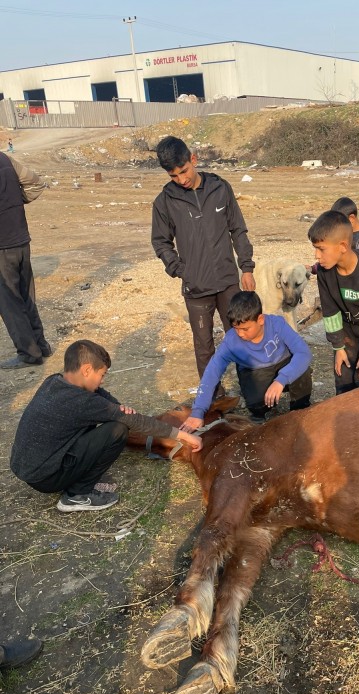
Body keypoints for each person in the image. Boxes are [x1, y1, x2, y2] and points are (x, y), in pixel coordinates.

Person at [10, 339, 203, 512]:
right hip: (46, 477)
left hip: (30, 468)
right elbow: (132, 421)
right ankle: (77, 495)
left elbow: (100, 396)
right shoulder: (82, 402)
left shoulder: (54, 380)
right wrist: (183, 435)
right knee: (117, 430)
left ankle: (75, 480)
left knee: (111, 419)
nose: (102, 381)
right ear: (86, 370)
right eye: (101, 374)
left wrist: (118, 408)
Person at [151, 136, 256, 380]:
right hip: (196, 288)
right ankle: (214, 399)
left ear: (193, 159)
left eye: (184, 171)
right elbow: (160, 241)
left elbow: (238, 229)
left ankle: (252, 392)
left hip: (229, 282)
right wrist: (180, 269)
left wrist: (247, 267)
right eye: (174, 176)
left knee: (241, 338)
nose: (182, 180)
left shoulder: (220, 188)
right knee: (204, 348)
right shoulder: (164, 202)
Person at [180, 291, 312, 428]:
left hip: (283, 363)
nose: (240, 334)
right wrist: (197, 412)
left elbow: (304, 353)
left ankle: (300, 410)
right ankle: (259, 413)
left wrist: (281, 380)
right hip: (254, 372)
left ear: (260, 320)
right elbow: (211, 373)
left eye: (245, 329)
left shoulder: (277, 324)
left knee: (302, 371)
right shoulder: (231, 342)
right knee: (256, 404)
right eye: (236, 329)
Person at [308, 210, 359, 394]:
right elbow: (330, 312)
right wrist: (338, 347)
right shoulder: (324, 272)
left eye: (321, 249)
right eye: (315, 248)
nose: (316, 255)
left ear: (343, 246)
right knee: (344, 376)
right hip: (347, 322)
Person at [0, 151, 52, 369]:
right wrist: (14, 204)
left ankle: (30, 354)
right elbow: (36, 184)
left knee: (10, 303)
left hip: (2, 246)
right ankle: (41, 345)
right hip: (21, 240)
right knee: (26, 296)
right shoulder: (5, 158)